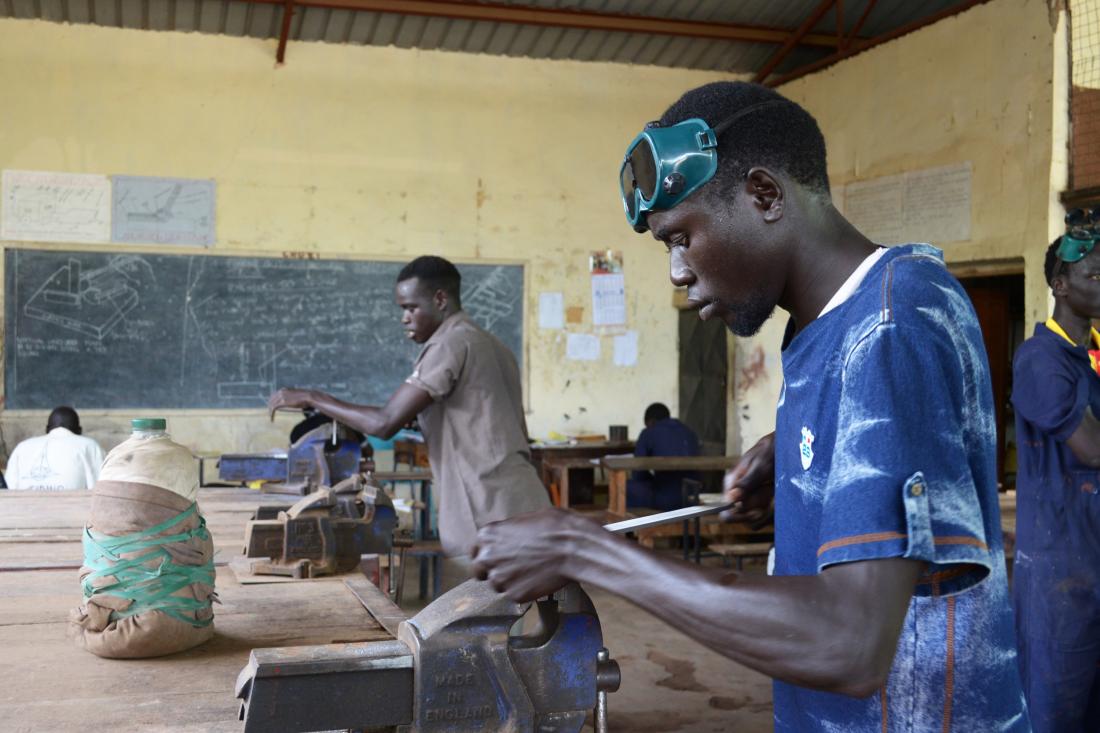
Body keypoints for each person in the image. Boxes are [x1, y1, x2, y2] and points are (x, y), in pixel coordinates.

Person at [471, 81, 1029, 731]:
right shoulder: (832, 325)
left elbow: (848, 642)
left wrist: (584, 548)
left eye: (681, 237)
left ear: (764, 194)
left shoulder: (891, 323)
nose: (677, 274)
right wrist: (795, 455)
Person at [268, 255, 550, 559]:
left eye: (411, 308)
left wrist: (313, 397)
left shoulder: (448, 344)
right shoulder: (492, 344)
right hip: (525, 496)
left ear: (440, 299)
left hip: (488, 508)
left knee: (489, 601)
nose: (405, 318)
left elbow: (385, 423)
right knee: (550, 590)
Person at [1010, 232, 1100, 732]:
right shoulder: (1039, 360)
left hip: (1094, 558)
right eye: (1095, 276)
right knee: (1054, 713)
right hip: (1058, 576)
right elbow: (1091, 447)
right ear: (1061, 285)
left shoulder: (1094, 357)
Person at [6, 406, 105, 491]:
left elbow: (9, 488)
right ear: (79, 431)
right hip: (71, 510)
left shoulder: (22, 447)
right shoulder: (89, 445)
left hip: (23, 510)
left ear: (47, 429)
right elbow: (101, 488)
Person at [627, 402, 700, 511]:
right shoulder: (690, 432)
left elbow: (638, 474)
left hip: (667, 499)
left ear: (651, 422)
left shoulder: (648, 432)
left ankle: (634, 526)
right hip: (693, 496)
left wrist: (651, 479)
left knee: (625, 487)